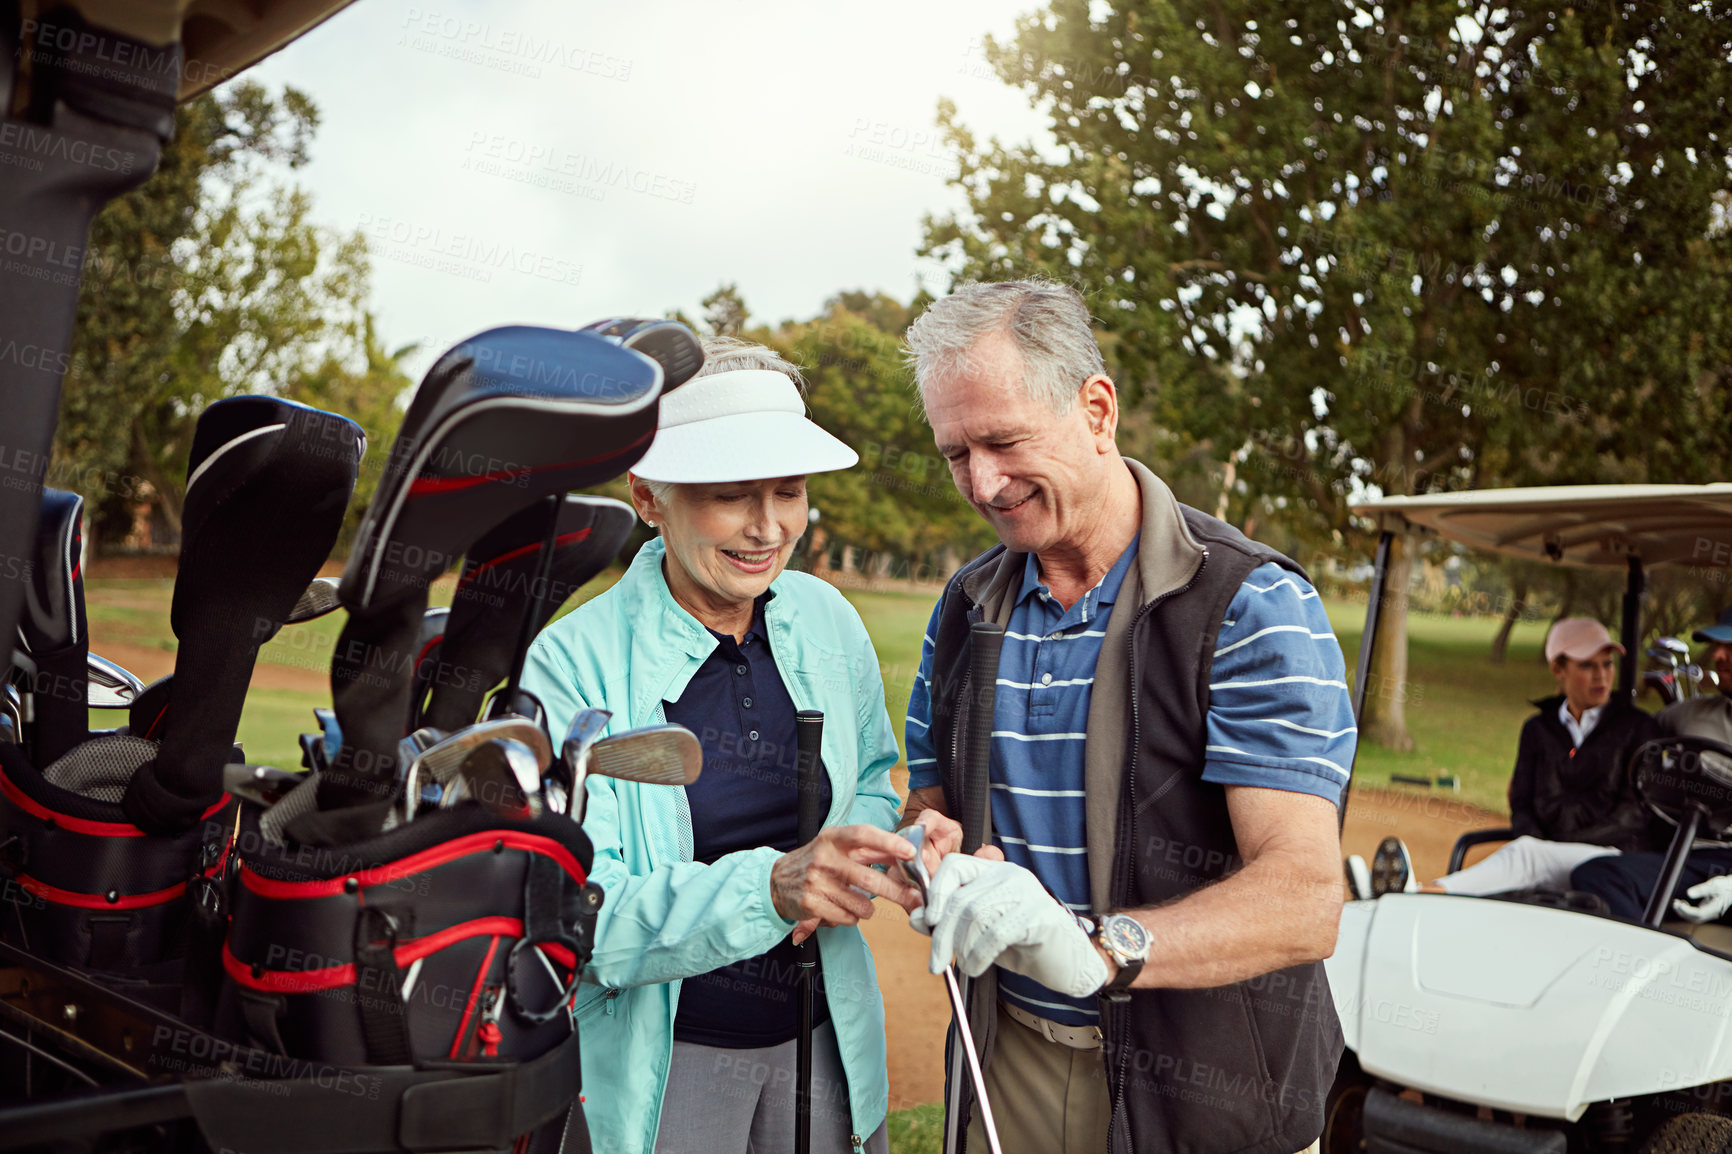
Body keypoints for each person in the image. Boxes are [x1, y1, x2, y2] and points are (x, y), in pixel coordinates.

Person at [895, 279, 1350, 1154]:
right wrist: (930, 848)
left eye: (1004, 440)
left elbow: (1303, 898)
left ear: (1096, 409)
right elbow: (930, 801)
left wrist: (1102, 950)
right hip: (1012, 1058)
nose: (982, 483)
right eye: (956, 452)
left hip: (1207, 1088)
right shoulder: (964, 605)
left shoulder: (1249, 603)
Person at [521, 338, 917, 1154]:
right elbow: (579, 914)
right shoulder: (570, 663)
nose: (767, 528)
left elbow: (875, 778)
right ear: (647, 495)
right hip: (668, 1070)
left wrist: (875, 848)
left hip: (828, 1050)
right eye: (732, 495)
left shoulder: (826, 618)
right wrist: (772, 888)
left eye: (789, 491)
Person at [1358, 617, 1661, 898]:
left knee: (1526, 856)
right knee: (1524, 860)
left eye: (1607, 664)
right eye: (1587, 666)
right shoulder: (1537, 730)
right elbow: (1522, 804)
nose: (1602, 676)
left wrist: (1553, 846)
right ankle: (1404, 898)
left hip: (1612, 858)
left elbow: (1632, 815)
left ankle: (1421, 894)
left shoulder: (1638, 728)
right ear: (1558, 669)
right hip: (1546, 855)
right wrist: (1542, 843)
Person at [1571, 607, 1732, 922]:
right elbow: (1627, 741)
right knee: (1600, 876)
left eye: (1730, 647)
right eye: (1718, 645)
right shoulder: (1689, 715)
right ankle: (1648, 965)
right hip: (1694, 856)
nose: (1719, 656)